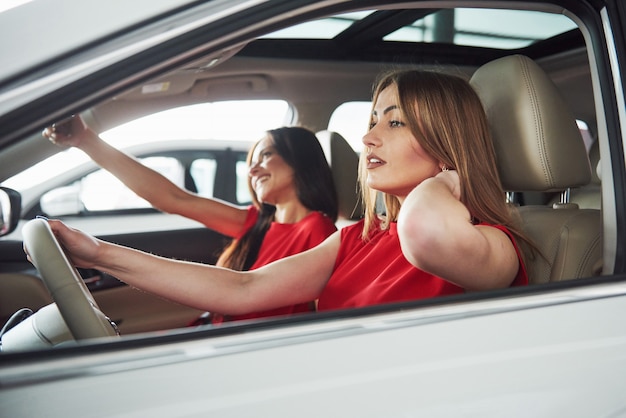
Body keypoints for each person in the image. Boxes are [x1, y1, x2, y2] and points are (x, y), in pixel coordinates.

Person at [39, 69, 530, 321]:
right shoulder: (356, 239)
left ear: (447, 144)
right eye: (372, 120)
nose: (368, 139)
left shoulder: (494, 244)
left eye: (395, 121)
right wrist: (98, 253)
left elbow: (425, 230)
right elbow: (244, 289)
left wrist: (449, 179)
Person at [43, 118, 338, 323]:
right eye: (251, 163)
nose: (252, 170)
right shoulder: (256, 223)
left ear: (299, 160)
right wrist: (85, 140)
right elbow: (172, 199)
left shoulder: (320, 231)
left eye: (265, 156)